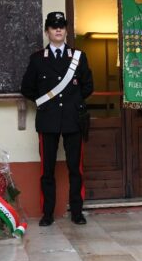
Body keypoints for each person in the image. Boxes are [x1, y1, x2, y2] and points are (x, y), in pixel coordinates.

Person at [21, 12, 93, 226]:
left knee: (75, 169)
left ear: (66, 30)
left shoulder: (78, 56)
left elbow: (88, 86)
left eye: (61, 26)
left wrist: (73, 103)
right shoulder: (37, 59)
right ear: (47, 31)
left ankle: (77, 212)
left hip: (73, 120)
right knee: (47, 171)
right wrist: (44, 102)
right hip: (48, 120)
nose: (58, 30)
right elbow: (27, 88)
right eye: (53, 27)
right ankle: (48, 213)